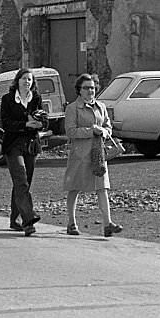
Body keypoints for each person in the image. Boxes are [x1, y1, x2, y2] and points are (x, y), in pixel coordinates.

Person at [62, 73, 123, 237]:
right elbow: (70, 131)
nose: (90, 91)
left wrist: (104, 131)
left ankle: (108, 224)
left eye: (93, 87)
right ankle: (71, 223)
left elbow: (108, 127)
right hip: (80, 154)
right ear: (79, 90)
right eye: (86, 88)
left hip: (98, 154)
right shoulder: (72, 108)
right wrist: (91, 131)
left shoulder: (101, 107)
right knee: (74, 188)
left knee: (102, 188)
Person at [0, 68, 45, 236]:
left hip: (31, 145)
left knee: (23, 182)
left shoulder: (37, 99)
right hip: (13, 145)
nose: (27, 82)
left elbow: (44, 120)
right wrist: (25, 124)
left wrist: (40, 123)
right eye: (24, 79)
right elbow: (6, 123)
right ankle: (28, 220)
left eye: (30, 80)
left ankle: (14, 219)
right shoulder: (7, 99)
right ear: (17, 81)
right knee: (21, 179)